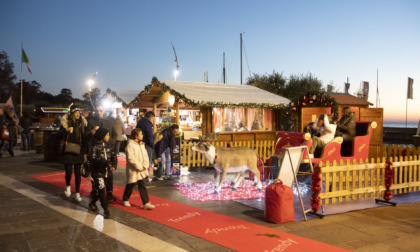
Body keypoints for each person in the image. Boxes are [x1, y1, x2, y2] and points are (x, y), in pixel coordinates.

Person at [86, 105, 118, 203]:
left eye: (101, 110)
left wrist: (109, 143)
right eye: (97, 111)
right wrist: (91, 133)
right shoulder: (91, 121)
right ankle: (95, 191)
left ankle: (109, 193)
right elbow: (86, 137)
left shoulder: (110, 120)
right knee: (96, 173)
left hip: (107, 150)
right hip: (96, 151)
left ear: (104, 110)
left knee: (109, 174)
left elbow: (115, 134)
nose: (99, 112)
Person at [57, 106, 87, 202]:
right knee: (69, 171)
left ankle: (77, 193)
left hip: (78, 150)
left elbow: (85, 138)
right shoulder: (66, 122)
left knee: (78, 173)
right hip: (68, 150)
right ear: (72, 113)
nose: (78, 114)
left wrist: (85, 151)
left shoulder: (82, 123)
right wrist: (66, 130)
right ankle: (68, 186)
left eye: (79, 113)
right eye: (76, 113)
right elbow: (58, 135)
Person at [122, 128, 155, 210]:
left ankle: (146, 203)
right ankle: (125, 198)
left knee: (142, 185)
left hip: (141, 170)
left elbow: (145, 156)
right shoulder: (130, 145)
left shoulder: (142, 144)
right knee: (131, 184)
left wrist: (145, 166)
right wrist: (139, 166)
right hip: (134, 169)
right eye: (141, 134)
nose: (142, 135)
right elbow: (130, 158)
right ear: (136, 136)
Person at [88, 128, 117, 219]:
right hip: (97, 173)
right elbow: (92, 159)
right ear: (102, 136)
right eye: (107, 135)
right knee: (101, 190)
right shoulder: (95, 147)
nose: (109, 137)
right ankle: (106, 210)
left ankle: (92, 203)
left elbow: (114, 156)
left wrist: (114, 165)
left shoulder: (109, 146)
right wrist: (105, 162)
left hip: (107, 173)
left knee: (98, 190)